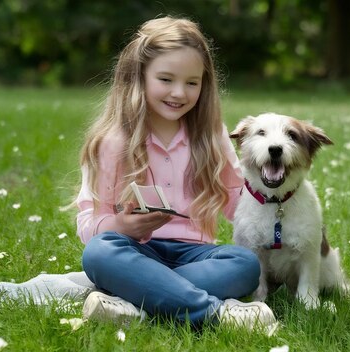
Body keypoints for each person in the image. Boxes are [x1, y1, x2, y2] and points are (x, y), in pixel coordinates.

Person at [77, 16, 276, 331]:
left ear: (204, 84)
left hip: (195, 254)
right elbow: (89, 224)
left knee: (244, 265)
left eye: (192, 82)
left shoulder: (211, 136)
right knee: (99, 253)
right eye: (166, 79)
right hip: (133, 248)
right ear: (139, 77)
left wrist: (275, 202)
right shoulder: (114, 141)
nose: (179, 93)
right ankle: (216, 315)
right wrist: (120, 224)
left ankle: (135, 298)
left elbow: (238, 204)